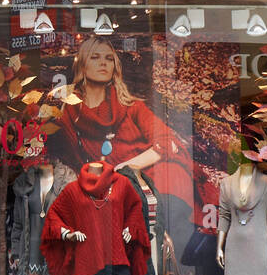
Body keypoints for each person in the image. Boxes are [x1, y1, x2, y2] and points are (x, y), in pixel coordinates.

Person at [50, 34, 195, 256]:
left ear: (115, 67)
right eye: (95, 57)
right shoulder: (70, 110)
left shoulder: (131, 106)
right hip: (106, 188)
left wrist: (125, 168)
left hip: (149, 179)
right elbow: (66, 156)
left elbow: (168, 143)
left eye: (109, 58)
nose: (103, 63)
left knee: (168, 198)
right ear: (82, 64)